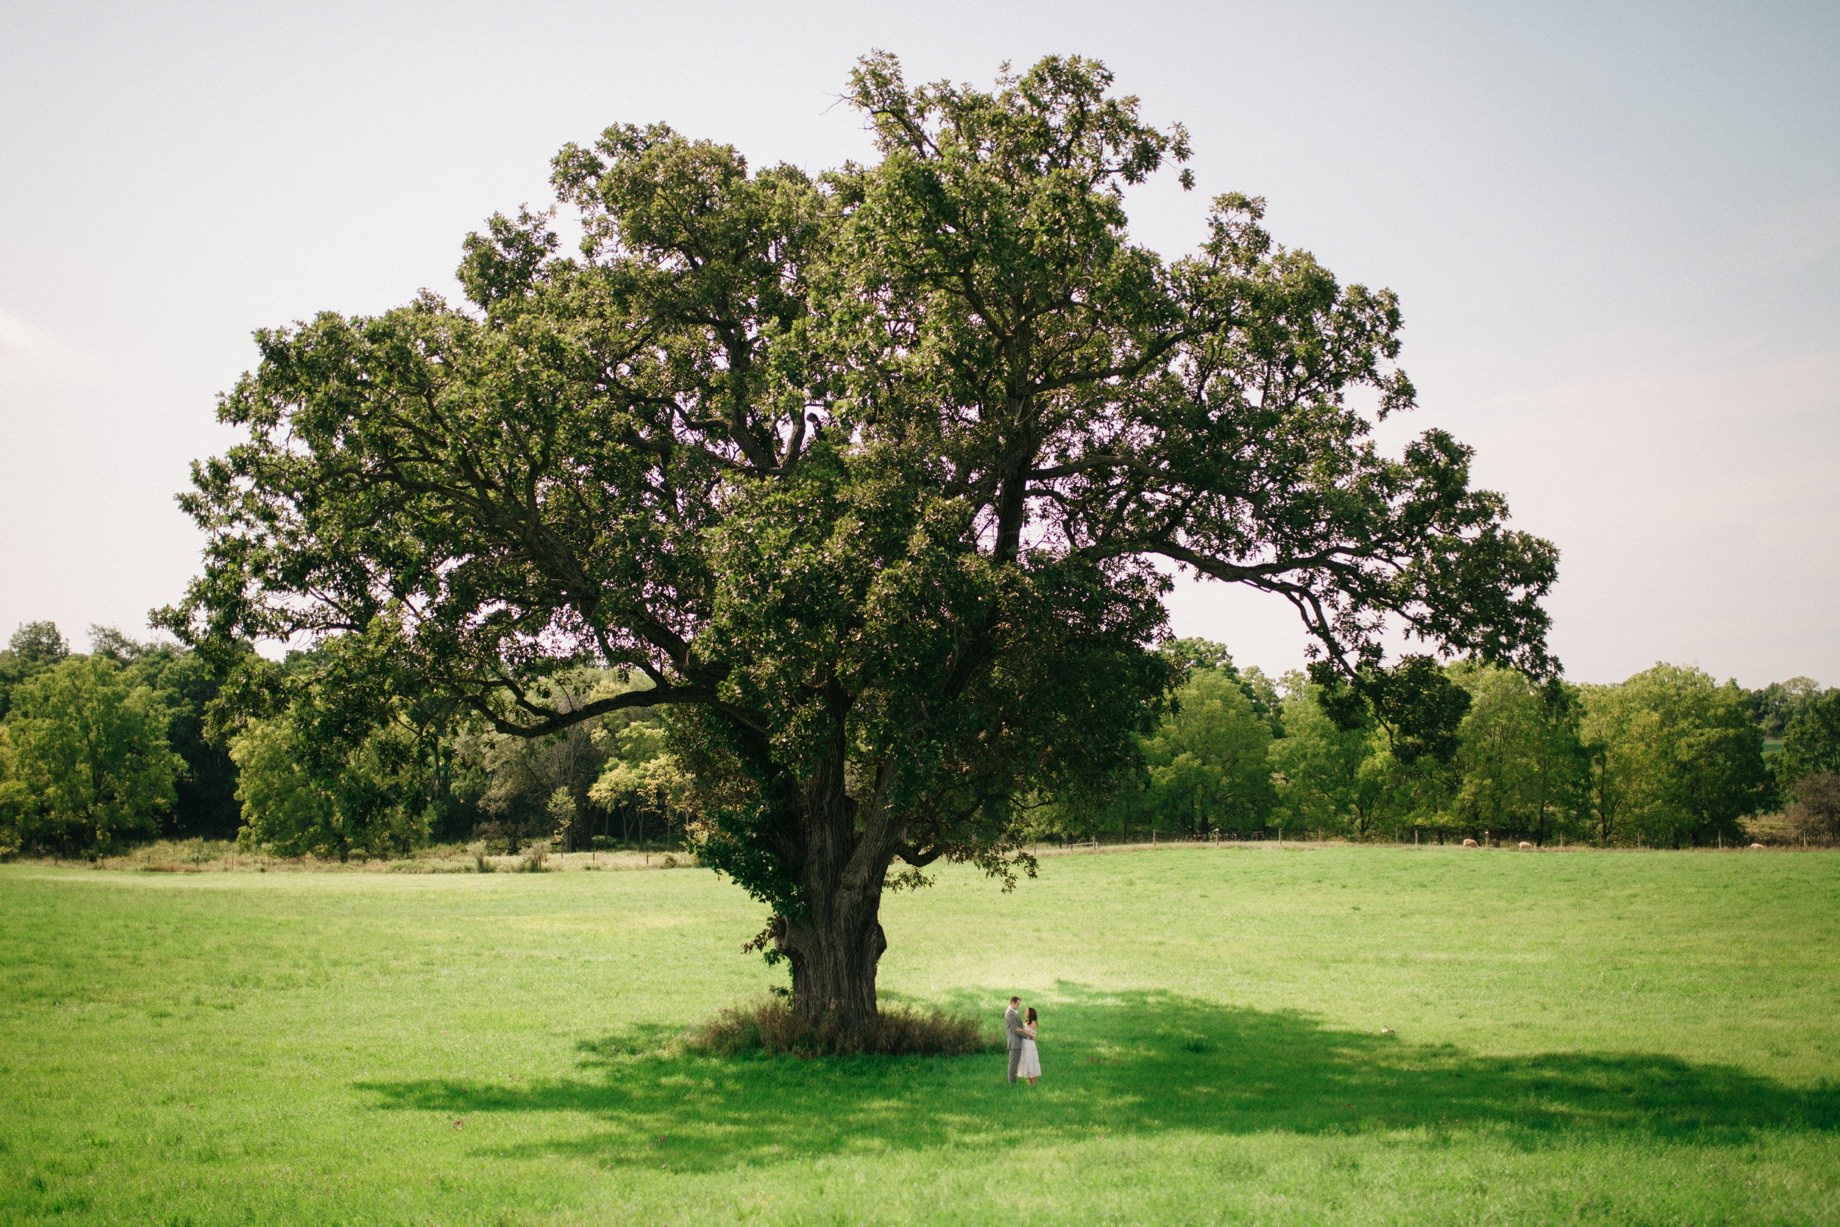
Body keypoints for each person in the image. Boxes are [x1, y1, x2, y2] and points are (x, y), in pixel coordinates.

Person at [1004, 996, 1027, 1084]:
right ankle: (1012, 1083)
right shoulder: (1010, 1013)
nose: (1018, 1006)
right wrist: (1027, 1036)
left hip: (1017, 1041)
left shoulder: (1013, 1012)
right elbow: (1015, 1029)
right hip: (1014, 1042)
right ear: (1012, 1003)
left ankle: (1014, 1082)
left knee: (1015, 1063)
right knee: (1013, 1064)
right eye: (1017, 1004)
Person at [1017, 1007, 1041, 1085]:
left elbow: (1032, 1036)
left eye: (1026, 1011)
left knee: (1030, 1061)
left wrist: (1022, 1030)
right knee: (1026, 1061)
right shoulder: (1026, 1022)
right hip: (1024, 1044)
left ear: (1030, 1013)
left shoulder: (1033, 1022)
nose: (1025, 1012)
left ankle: (1034, 1083)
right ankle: (1029, 1083)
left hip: (1030, 1044)